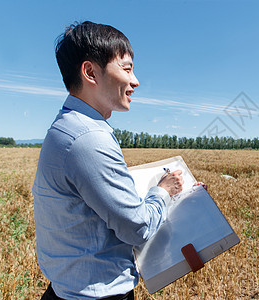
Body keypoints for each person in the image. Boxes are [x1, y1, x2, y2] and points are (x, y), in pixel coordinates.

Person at [33, 21, 184, 299]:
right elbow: (136, 228)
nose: (135, 80)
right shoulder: (88, 137)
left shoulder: (69, 127)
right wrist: (164, 192)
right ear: (91, 72)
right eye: (126, 68)